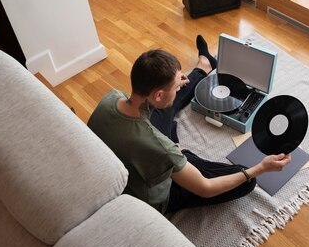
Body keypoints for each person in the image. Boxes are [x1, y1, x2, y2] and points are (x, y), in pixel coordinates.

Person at [88, 35, 291, 214]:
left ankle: (204, 66)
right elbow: (206, 188)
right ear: (158, 94)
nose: (179, 87)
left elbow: (155, 105)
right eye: (177, 86)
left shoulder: (112, 98)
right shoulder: (162, 149)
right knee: (246, 182)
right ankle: (187, 156)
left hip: (132, 154)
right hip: (155, 195)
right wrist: (260, 168)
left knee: (165, 106)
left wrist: (175, 84)